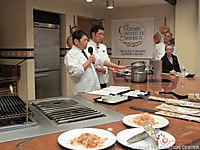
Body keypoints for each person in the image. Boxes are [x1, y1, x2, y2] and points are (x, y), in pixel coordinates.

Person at [64, 29, 127, 94]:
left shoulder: (86, 51)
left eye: (87, 40)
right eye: (84, 40)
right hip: (83, 90)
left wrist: (117, 66)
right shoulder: (70, 55)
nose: (86, 42)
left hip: (94, 88)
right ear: (76, 41)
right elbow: (75, 72)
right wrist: (89, 61)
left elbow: (101, 60)